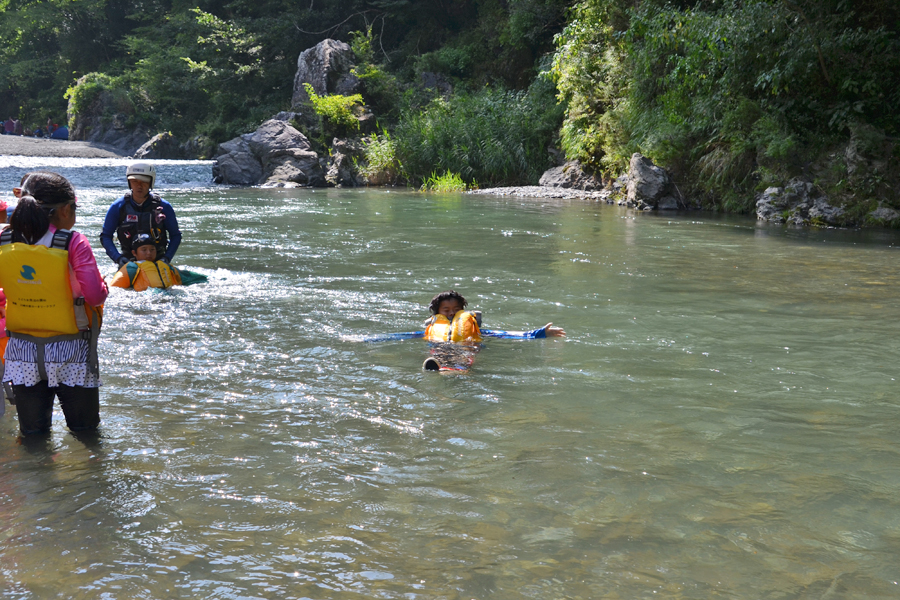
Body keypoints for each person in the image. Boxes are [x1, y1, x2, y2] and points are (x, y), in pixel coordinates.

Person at [0, 172, 108, 435]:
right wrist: (104, 285)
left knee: (33, 437)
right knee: (86, 434)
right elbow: (94, 296)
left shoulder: (3, 240)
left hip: (21, 351)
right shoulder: (73, 242)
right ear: (65, 209)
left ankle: (35, 475)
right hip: (71, 351)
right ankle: (86, 476)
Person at [365, 290, 566, 371]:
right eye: (446, 310)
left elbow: (506, 334)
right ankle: (442, 368)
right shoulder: (433, 328)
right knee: (440, 351)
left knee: (467, 352)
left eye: (456, 310)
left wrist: (539, 333)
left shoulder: (475, 329)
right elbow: (405, 337)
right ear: (438, 312)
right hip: (440, 346)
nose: (452, 313)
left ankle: (453, 371)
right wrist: (372, 339)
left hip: (468, 347)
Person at [100, 162, 182, 266]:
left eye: (144, 182)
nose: (139, 186)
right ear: (129, 183)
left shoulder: (164, 207)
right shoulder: (118, 207)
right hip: (128, 263)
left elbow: (175, 235)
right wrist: (118, 258)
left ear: (151, 183)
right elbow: (106, 236)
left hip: (158, 262)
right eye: (134, 181)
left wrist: (166, 258)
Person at [108, 233, 184, 290]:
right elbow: (113, 289)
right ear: (134, 253)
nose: (149, 253)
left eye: (152, 249)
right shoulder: (131, 268)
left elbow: (191, 278)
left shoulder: (166, 267)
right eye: (144, 250)